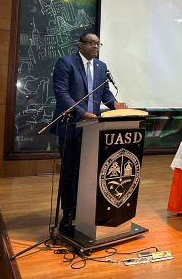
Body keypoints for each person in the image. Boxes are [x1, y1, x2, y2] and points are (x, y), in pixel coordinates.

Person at [52, 32, 128, 232]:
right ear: (80, 45)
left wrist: (115, 105)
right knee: (70, 171)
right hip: (71, 126)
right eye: (91, 43)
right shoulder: (66, 63)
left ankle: (87, 210)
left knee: (91, 171)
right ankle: (69, 213)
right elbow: (62, 93)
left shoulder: (101, 66)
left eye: (98, 44)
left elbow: (104, 93)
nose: (95, 47)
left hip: (94, 128)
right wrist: (81, 112)